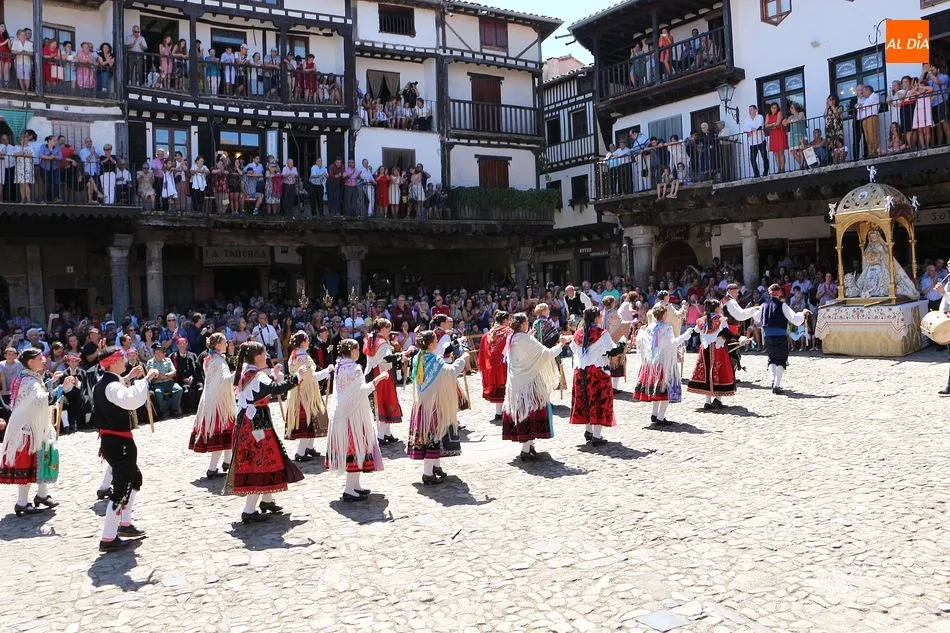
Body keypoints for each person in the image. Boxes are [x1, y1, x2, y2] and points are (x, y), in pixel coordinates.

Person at [224, 341, 304, 524]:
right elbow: (275, 389)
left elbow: (264, 387)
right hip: (255, 423)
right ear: (258, 356)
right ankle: (249, 510)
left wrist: (274, 375)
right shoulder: (256, 375)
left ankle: (267, 500)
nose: (266, 356)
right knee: (259, 461)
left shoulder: (247, 371)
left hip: (250, 420)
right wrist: (296, 378)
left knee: (268, 458)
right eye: (264, 353)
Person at [93, 347, 157, 552]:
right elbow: (130, 400)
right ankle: (109, 537)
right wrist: (145, 380)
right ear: (112, 363)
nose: (124, 361)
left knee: (134, 479)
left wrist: (128, 377)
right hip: (118, 442)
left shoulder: (106, 382)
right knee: (121, 487)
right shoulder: (111, 386)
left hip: (114, 441)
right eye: (121, 359)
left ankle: (125, 525)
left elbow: (117, 392)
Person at [0, 349, 73, 516]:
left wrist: (52, 382)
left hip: (32, 426)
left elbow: (35, 395)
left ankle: (41, 495)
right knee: (28, 463)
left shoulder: (27, 377)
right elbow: (42, 399)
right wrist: (62, 388)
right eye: (40, 358)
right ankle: (22, 502)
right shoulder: (28, 380)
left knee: (43, 458)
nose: (44, 360)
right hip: (27, 429)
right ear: (30, 362)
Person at [325, 338, 389, 502]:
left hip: (343, 413)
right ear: (352, 351)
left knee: (354, 447)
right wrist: (379, 379)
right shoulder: (355, 368)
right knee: (355, 448)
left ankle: (355, 486)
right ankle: (349, 489)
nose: (359, 351)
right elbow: (361, 391)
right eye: (357, 349)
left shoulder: (340, 366)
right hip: (353, 415)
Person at [502, 312, 569, 461]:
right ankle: (526, 450)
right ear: (523, 324)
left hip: (516, 383)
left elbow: (519, 354)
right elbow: (546, 354)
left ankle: (530, 446)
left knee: (523, 413)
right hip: (529, 384)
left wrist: (529, 336)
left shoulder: (511, 338)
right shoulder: (526, 340)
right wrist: (561, 345)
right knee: (529, 414)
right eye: (527, 322)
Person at [406, 330, 469, 485]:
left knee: (436, 435)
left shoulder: (419, 357)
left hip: (423, 403)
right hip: (432, 405)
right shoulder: (433, 359)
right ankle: (427, 473)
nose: (437, 342)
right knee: (432, 437)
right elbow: (451, 371)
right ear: (431, 343)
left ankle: (435, 467)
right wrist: (463, 359)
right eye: (435, 339)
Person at [634, 304, 694, 426]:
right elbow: (672, 343)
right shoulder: (667, 328)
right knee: (665, 390)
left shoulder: (650, 327)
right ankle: (660, 417)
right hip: (665, 363)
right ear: (664, 315)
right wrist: (686, 335)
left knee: (657, 389)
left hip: (653, 362)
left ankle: (654, 414)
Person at [569, 307, 619, 445]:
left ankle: (588, 431)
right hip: (597, 371)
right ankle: (596, 435)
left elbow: (573, 349)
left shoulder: (578, 333)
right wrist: (622, 344)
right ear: (597, 317)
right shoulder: (601, 333)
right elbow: (612, 350)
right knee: (599, 401)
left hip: (580, 372)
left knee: (585, 400)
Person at [189, 333, 236, 479]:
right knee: (222, 433)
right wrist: (239, 374)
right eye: (224, 342)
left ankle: (228, 462)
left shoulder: (211, 360)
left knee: (228, 431)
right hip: (219, 403)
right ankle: (212, 468)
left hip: (212, 399)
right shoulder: (218, 362)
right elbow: (225, 380)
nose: (227, 344)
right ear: (217, 345)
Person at [687, 299, 747, 409]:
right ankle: (718, 400)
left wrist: (684, 336)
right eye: (720, 306)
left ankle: (708, 401)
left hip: (705, 350)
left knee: (706, 373)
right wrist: (740, 337)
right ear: (716, 308)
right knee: (719, 371)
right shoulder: (721, 320)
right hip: (717, 349)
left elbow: (694, 332)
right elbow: (727, 333)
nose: (721, 307)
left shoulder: (701, 321)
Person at [284, 331, 333, 462]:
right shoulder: (303, 358)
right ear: (303, 342)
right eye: (307, 340)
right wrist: (327, 371)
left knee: (313, 418)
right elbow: (312, 377)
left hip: (298, 392)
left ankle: (309, 447)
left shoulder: (293, 356)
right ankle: (300, 452)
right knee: (308, 421)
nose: (309, 342)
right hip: (306, 394)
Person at [760, 284, 810, 395]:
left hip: (767, 337)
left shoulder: (763, 305)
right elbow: (795, 319)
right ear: (779, 293)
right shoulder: (782, 305)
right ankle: (776, 386)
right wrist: (803, 313)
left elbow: (758, 319)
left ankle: (773, 381)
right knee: (781, 360)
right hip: (780, 337)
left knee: (772, 359)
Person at [363, 318, 405, 444]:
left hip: (371, 373)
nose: (390, 331)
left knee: (380, 402)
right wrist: (402, 355)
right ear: (384, 329)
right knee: (386, 402)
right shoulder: (383, 343)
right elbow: (387, 358)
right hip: (382, 375)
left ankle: (387, 433)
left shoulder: (370, 339)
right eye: (389, 329)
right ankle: (380, 436)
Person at [477, 311, 512, 420]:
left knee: (498, 389)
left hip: (491, 366)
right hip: (505, 364)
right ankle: (508, 411)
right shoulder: (508, 332)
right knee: (507, 387)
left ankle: (498, 413)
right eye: (509, 320)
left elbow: (482, 353)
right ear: (505, 320)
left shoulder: (487, 334)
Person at [145, 343, 183, 418]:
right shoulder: (150, 362)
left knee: (179, 389)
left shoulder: (168, 361)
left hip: (169, 383)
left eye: (160, 352)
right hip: (157, 384)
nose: (158, 354)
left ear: (163, 353)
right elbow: (151, 374)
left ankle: (174, 409)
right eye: (156, 352)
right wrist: (160, 377)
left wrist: (165, 375)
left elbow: (174, 372)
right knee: (158, 392)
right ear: (154, 353)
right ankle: (162, 411)